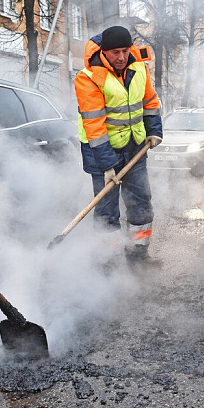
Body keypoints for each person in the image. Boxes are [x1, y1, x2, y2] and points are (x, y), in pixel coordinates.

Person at [74, 26, 163, 266]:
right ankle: (109, 265)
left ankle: (138, 257)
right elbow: (94, 125)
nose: (121, 57)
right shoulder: (88, 77)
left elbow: (151, 102)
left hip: (135, 148)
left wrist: (155, 132)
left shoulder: (139, 69)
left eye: (125, 51)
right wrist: (107, 165)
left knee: (141, 203)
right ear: (104, 52)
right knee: (106, 211)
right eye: (115, 52)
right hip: (101, 153)